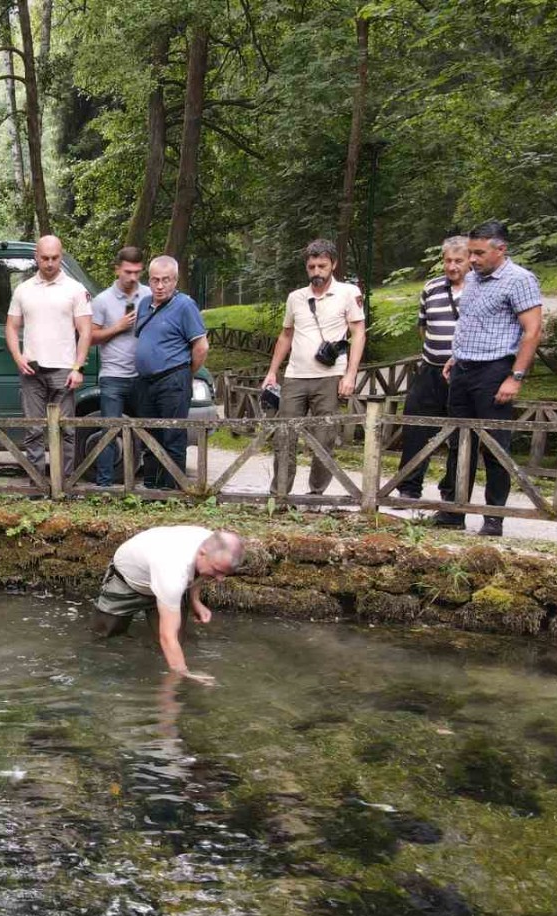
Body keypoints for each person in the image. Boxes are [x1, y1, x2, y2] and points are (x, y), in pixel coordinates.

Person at [431, 221, 543, 537]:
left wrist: (515, 376)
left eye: (479, 253)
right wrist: (456, 354)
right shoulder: (474, 279)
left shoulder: (519, 280)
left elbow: (532, 331)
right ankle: (454, 511)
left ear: (500, 249)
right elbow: (472, 320)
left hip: (495, 371)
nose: (473, 259)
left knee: (494, 445)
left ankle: (494, 517)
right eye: (471, 253)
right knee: (459, 442)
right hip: (464, 369)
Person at [262, 239, 366, 499]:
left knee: (324, 438)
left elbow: (358, 333)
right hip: (295, 376)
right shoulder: (296, 297)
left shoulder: (348, 293)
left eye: (322, 265)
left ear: (333, 265)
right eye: (312, 266)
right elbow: (286, 335)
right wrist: (273, 371)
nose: (317, 271)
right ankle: (280, 495)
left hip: (329, 376)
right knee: (284, 436)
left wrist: (351, 374)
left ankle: (316, 495)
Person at [91, 526, 244, 681]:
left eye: (225, 573)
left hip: (167, 582)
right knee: (104, 637)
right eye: (217, 571)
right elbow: (167, 636)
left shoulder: (212, 543)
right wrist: (184, 674)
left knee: (175, 643)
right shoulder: (173, 570)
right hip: (128, 580)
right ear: (202, 553)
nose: (220, 579)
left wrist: (195, 601)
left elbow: (200, 571)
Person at [5, 235, 91, 477]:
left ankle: (63, 484)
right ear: (37, 258)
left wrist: (78, 368)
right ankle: (37, 484)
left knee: (66, 431)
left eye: (54, 258)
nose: (50, 263)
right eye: (45, 258)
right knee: (33, 429)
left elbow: (85, 331)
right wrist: (17, 357)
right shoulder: (23, 290)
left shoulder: (75, 289)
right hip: (32, 369)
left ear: (60, 257)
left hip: (64, 370)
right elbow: (11, 327)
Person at [398, 237, 468, 500]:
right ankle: (408, 487)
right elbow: (422, 327)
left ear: (469, 261)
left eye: (458, 261)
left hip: (463, 373)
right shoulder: (431, 288)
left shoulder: (479, 288)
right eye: (448, 260)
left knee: (459, 431)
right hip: (429, 370)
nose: (452, 267)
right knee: (416, 427)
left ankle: (452, 491)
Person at [133, 256, 208, 489]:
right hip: (146, 381)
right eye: (155, 280)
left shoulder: (185, 305)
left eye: (166, 280)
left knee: (173, 435)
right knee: (149, 435)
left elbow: (201, 346)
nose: (160, 285)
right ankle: (151, 486)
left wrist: (185, 372)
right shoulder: (144, 304)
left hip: (173, 378)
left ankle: (172, 488)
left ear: (175, 280)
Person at [88, 246, 145, 486]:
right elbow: (90, 337)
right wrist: (118, 327)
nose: (132, 278)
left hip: (144, 375)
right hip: (113, 376)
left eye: (137, 272)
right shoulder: (102, 300)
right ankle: (104, 485)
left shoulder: (150, 296)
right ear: (117, 270)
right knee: (109, 431)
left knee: (147, 431)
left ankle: (151, 485)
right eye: (128, 272)